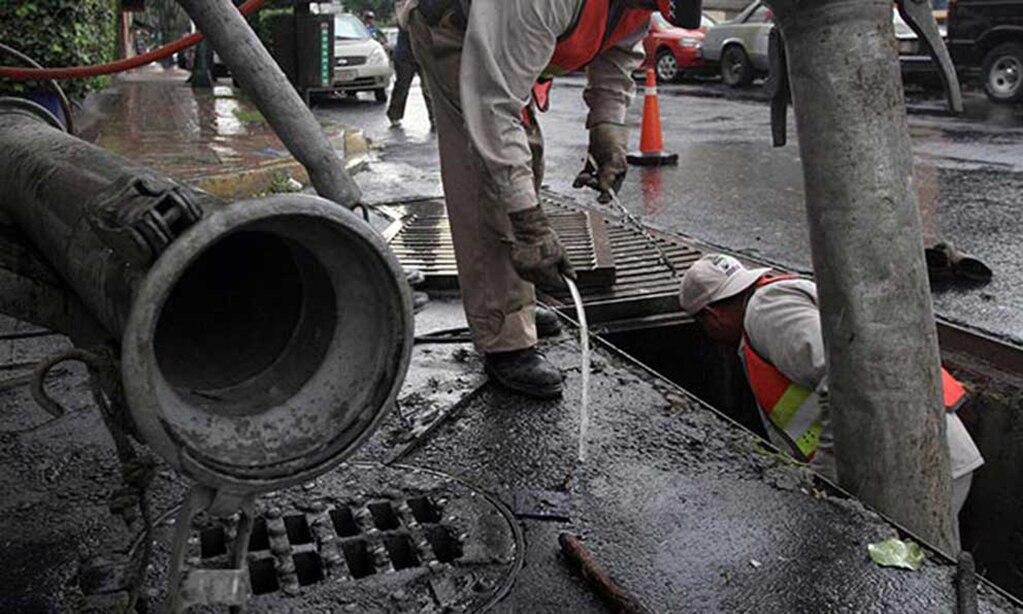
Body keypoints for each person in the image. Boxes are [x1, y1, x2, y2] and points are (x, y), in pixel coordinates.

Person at [400, 0, 694, 398]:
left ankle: (513, 300)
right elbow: (492, 106)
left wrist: (608, 129)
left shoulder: (640, 4)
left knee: (524, 159)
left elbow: (618, 51)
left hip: (501, 30)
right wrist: (530, 224)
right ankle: (503, 335)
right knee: (485, 173)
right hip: (450, 25)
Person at [679, 253, 984, 515]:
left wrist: (824, 478)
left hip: (914, 465)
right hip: (911, 458)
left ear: (712, 315)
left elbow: (846, 378)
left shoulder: (768, 313)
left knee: (907, 576)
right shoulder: (767, 309)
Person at [386, 23, 435, 130]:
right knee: (402, 87)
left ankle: (434, 118)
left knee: (428, 88)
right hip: (405, 56)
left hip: (422, 54)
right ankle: (394, 115)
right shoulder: (407, 15)